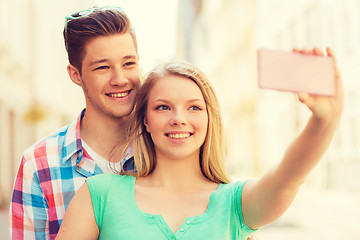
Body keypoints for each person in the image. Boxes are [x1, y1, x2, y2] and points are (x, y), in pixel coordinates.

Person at [55, 48, 344, 239]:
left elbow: (288, 177)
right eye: (163, 107)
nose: (179, 119)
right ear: (145, 120)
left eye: (194, 107)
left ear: (209, 119)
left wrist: (324, 121)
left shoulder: (235, 203)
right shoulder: (99, 195)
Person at [10, 7, 140, 239]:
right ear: (75, 75)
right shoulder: (39, 165)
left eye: (128, 63)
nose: (120, 79)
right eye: (103, 67)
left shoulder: (162, 151)